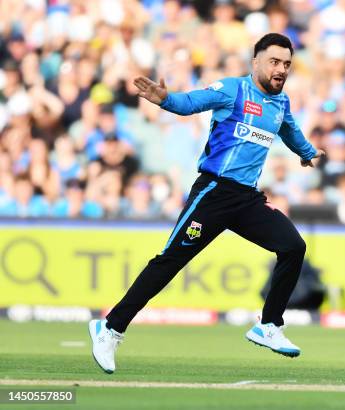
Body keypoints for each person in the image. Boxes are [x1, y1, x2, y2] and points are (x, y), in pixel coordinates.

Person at [88, 33, 324, 374]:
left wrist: (306, 152)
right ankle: (110, 328)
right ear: (255, 61)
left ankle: (269, 325)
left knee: (292, 246)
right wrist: (165, 99)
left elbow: (289, 130)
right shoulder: (233, 89)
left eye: (286, 64)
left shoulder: (280, 103)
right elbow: (190, 102)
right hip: (213, 193)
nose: (281, 69)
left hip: (246, 199)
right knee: (169, 262)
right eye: (274, 61)